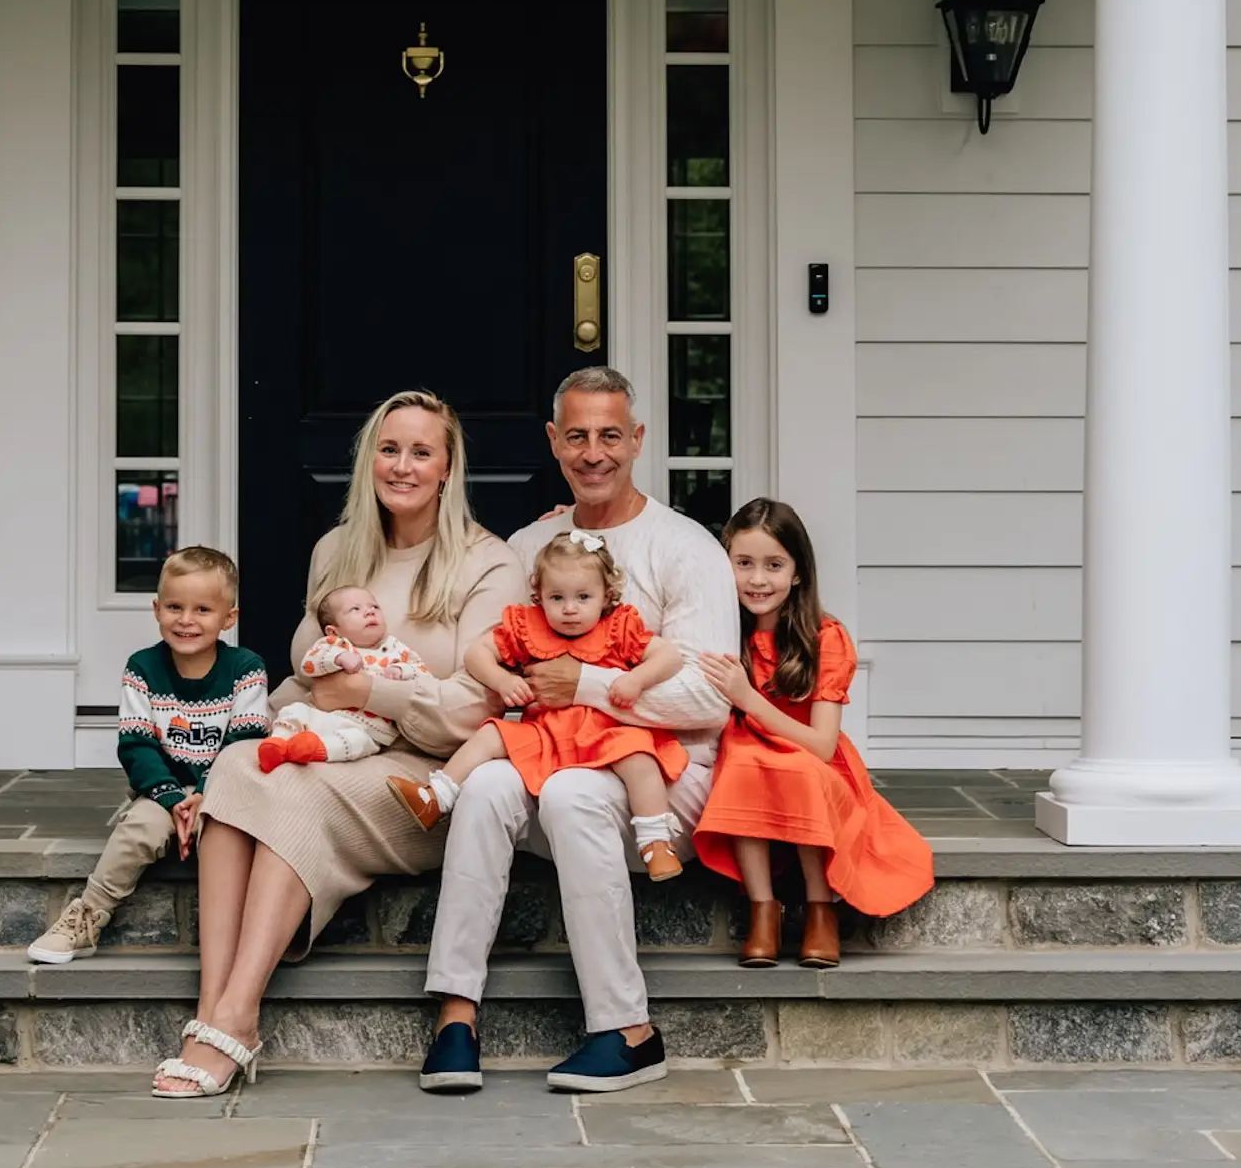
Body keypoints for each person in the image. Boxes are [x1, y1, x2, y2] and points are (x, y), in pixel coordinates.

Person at [158, 388, 516, 1098]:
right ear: (368, 460)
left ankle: (239, 1013)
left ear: (448, 467)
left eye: (422, 451)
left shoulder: (488, 563)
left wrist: (370, 695)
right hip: (330, 744)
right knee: (236, 763)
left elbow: (478, 706)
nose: (403, 465)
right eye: (389, 448)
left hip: (427, 778)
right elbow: (305, 676)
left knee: (295, 790)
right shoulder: (337, 548)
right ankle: (209, 1010)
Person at [422, 366, 738, 1097]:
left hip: (664, 781)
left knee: (568, 793)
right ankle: (455, 1014)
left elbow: (707, 698)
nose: (593, 452)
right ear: (553, 442)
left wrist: (589, 685)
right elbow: (497, 655)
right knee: (490, 783)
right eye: (576, 436)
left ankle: (628, 1030)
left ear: (637, 439)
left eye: (609, 436)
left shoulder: (686, 547)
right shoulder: (533, 542)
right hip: (552, 754)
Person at [693, 497, 933, 968]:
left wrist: (749, 698)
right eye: (743, 563)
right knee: (741, 765)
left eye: (774, 565)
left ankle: (821, 908)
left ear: (798, 572)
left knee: (799, 770)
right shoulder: (721, 630)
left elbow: (821, 744)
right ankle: (764, 908)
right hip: (749, 752)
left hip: (810, 756)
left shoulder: (826, 637)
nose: (758, 579)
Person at [390, 529, 687, 877]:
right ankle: (436, 796)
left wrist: (637, 679)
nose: (570, 609)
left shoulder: (617, 628)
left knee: (640, 757)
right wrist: (502, 680)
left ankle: (655, 841)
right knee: (491, 735)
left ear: (606, 596)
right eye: (557, 597)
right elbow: (477, 654)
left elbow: (669, 657)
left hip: (605, 729)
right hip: (547, 731)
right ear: (539, 594)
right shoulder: (529, 627)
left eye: (583, 597)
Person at [28, 545, 269, 968]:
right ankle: (87, 916)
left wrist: (207, 795)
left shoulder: (245, 668)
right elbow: (137, 746)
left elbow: (243, 743)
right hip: (165, 791)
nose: (186, 620)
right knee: (139, 828)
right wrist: (173, 799)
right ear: (157, 609)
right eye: (174, 606)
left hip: (228, 789)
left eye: (202, 610)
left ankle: (252, 935)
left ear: (228, 617)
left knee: (235, 837)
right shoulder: (142, 668)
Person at [258, 582, 435, 767]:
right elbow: (309, 665)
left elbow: (424, 674)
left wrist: (402, 670)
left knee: (358, 742)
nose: (369, 612)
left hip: (368, 727)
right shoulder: (332, 646)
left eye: (374, 607)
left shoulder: (396, 649)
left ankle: (317, 749)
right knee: (294, 710)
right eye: (355, 609)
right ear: (334, 631)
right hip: (323, 715)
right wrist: (338, 658)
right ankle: (277, 743)